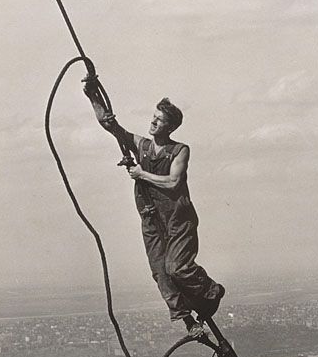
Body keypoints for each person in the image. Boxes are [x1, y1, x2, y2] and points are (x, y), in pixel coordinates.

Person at [84, 79, 225, 337]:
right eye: (153, 117)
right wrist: (92, 95)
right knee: (161, 273)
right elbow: (111, 126)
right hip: (151, 218)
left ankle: (211, 292)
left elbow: (173, 182)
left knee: (178, 268)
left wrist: (141, 174)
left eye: (159, 120)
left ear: (169, 126)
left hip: (177, 220)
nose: (153, 122)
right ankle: (188, 322)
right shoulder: (143, 147)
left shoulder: (179, 150)